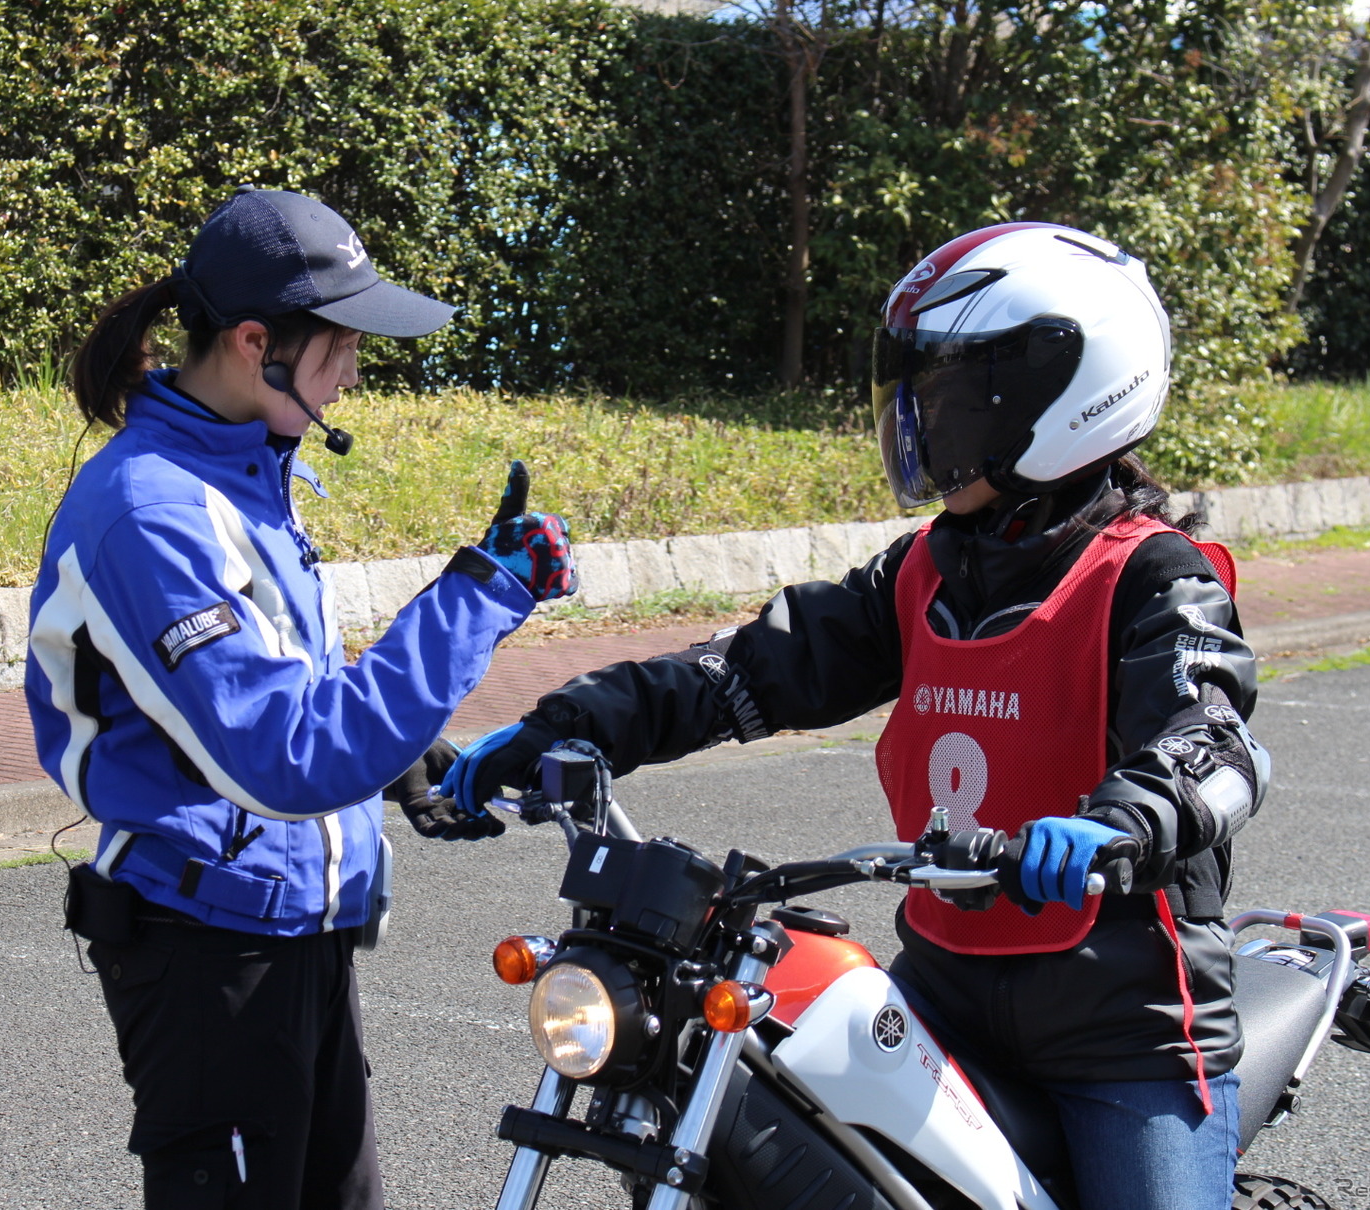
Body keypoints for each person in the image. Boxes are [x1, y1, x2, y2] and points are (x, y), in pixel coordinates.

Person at [442, 222, 1268, 1210]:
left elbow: (1215, 742)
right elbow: (748, 669)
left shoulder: (1152, 576)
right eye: (919, 399)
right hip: (947, 993)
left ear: (1067, 391)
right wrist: (573, 721)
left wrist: (1120, 820)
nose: (924, 424)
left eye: (954, 400)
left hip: (1122, 1026)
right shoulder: (926, 570)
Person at [25, 187, 576, 1209]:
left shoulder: (247, 469)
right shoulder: (148, 509)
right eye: (340, 346)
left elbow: (280, 683)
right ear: (251, 343)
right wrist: (478, 596)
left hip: (296, 934)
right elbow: (281, 751)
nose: (354, 371)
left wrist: (406, 762)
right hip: (206, 955)